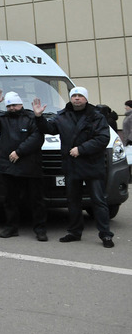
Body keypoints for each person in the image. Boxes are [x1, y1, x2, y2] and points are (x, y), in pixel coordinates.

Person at [33, 87, 115, 248]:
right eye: (74, 96)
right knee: (73, 202)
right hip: (72, 166)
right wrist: (39, 117)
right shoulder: (62, 116)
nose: (77, 98)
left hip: (92, 166)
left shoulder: (96, 116)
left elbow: (103, 138)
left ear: (85, 99)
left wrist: (81, 149)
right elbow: (49, 129)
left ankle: (105, 235)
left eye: (80, 96)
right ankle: (74, 232)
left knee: (98, 201)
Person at [0, 91, 46, 241]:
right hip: (8, 166)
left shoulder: (31, 118)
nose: (12, 108)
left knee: (36, 200)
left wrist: (19, 152)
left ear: (21, 104)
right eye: (9, 105)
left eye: (15, 105)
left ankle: (40, 229)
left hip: (30, 166)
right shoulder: (3, 119)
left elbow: (37, 137)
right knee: (10, 200)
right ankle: (11, 227)